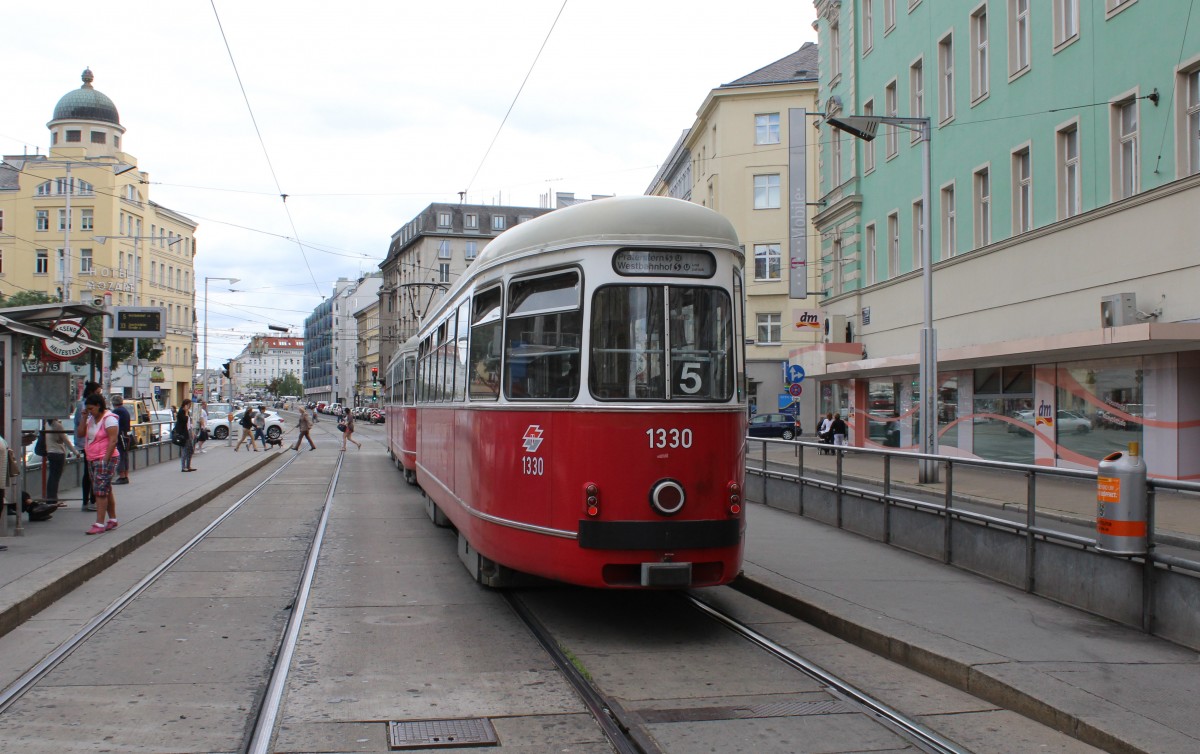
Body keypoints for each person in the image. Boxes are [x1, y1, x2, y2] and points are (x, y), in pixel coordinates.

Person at [82, 393, 120, 534]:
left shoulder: (109, 419)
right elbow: (80, 433)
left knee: (100, 491)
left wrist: (105, 460)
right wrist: (84, 417)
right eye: (88, 409)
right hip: (92, 457)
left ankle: (99, 523)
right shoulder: (91, 419)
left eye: (91, 408)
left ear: (98, 406)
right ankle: (113, 519)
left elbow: (113, 440)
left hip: (104, 458)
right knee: (105, 488)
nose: (89, 411)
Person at [73, 381, 102, 511]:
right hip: (87, 443)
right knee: (89, 472)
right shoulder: (83, 406)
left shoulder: (95, 407)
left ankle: (92, 499)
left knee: (94, 472)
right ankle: (88, 500)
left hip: (94, 442)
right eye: (97, 393)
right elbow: (80, 426)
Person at [43, 417, 76, 504]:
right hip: (58, 453)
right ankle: (53, 499)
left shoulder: (47, 424)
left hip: (50, 452)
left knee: (52, 476)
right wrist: (75, 452)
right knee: (56, 477)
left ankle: (51, 498)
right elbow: (66, 440)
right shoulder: (57, 425)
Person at [112, 396, 132, 485]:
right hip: (126, 435)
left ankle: (122, 476)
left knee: (120, 455)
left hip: (120, 436)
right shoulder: (125, 410)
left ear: (114, 403)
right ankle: (126, 475)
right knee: (125, 455)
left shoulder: (117, 411)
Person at [175, 399, 196, 472]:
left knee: (190, 449)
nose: (189, 406)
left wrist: (192, 431)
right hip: (183, 433)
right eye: (188, 405)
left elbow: (190, 423)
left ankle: (188, 465)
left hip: (189, 431)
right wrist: (186, 412)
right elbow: (185, 420)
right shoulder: (181, 412)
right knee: (185, 449)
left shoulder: (188, 412)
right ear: (185, 405)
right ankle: (183, 467)